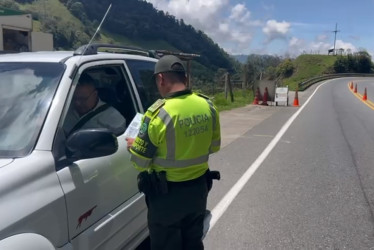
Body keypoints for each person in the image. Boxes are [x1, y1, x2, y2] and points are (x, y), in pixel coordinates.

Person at [126, 55, 221, 250]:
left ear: (161, 79)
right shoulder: (207, 105)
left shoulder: (158, 114)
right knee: (193, 242)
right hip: (198, 190)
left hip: (167, 197)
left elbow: (139, 162)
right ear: (184, 78)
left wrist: (135, 145)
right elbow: (214, 146)